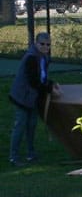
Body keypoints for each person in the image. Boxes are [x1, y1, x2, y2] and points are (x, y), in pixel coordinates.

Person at [9, 32, 59, 166]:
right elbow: (33, 81)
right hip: (23, 96)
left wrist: (50, 83)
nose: (45, 47)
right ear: (36, 44)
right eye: (42, 44)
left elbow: (41, 77)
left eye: (48, 44)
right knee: (20, 125)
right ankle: (14, 156)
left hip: (33, 97)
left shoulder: (44, 58)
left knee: (31, 125)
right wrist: (49, 88)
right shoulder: (31, 57)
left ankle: (31, 154)